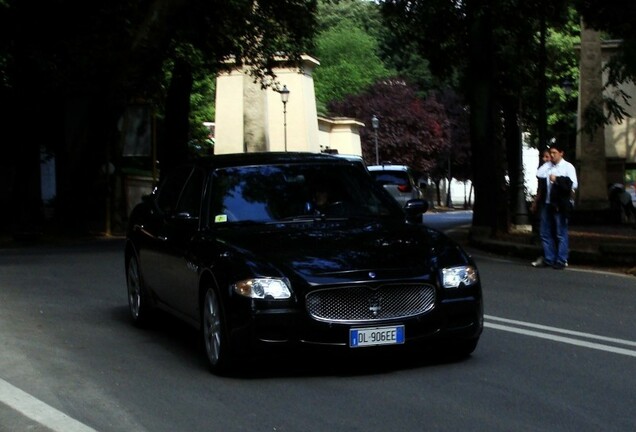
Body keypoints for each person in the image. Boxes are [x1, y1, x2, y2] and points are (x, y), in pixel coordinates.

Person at [536, 142, 578, 269]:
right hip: (548, 203)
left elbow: (574, 184)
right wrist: (548, 163)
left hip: (560, 204)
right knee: (545, 232)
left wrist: (558, 179)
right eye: (551, 153)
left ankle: (561, 259)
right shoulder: (549, 166)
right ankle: (549, 258)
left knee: (561, 232)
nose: (552, 155)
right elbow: (539, 174)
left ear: (561, 153)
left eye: (555, 153)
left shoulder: (567, 167)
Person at [530, 148, 552, 267]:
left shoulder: (556, 170)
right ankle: (545, 255)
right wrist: (535, 202)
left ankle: (551, 256)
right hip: (544, 202)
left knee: (552, 231)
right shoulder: (544, 172)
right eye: (543, 157)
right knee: (543, 230)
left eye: (547, 157)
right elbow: (541, 189)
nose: (544, 160)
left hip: (553, 204)